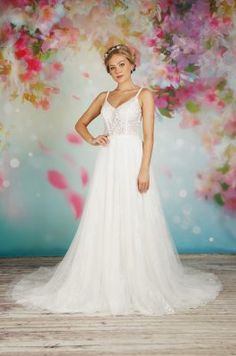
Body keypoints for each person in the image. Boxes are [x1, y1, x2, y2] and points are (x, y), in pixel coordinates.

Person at [6, 44, 223, 316]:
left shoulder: (144, 95)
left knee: (134, 214)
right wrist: (93, 138)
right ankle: (106, 278)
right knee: (106, 214)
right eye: (112, 67)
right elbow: (80, 124)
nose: (117, 71)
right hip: (108, 162)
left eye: (121, 64)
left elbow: (149, 137)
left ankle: (137, 279)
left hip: (132, 160)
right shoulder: (104, 96)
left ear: (132, 64)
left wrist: (144, 170)